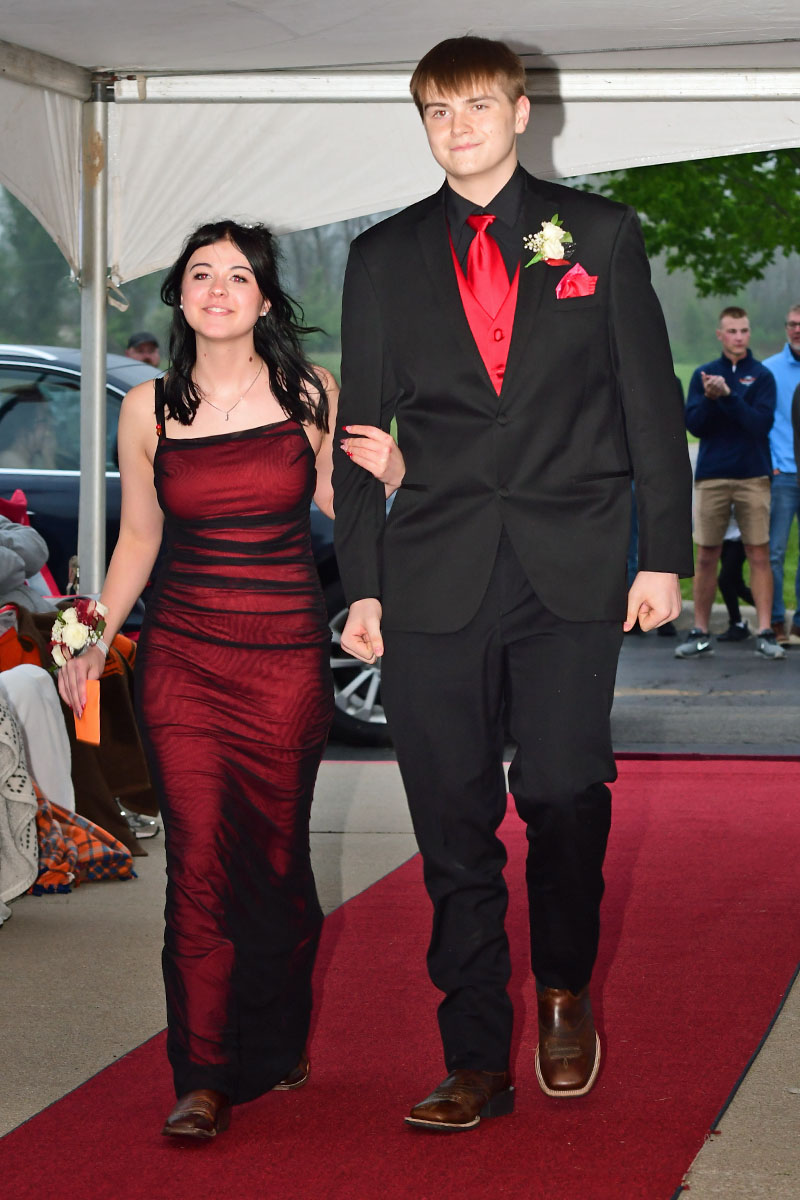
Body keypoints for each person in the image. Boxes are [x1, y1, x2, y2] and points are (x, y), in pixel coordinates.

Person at [333, 35, 693, 1130]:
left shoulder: (596, 234)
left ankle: (562, 987)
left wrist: (662, 554)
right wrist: (359, 582)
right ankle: (472, 1055)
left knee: (560, 791)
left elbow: (646, 406)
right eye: (436, 113)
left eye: (475, 106)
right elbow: (358, 433)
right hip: (431, 565)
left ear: (519, 110)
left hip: (571, 564)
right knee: (449, 816)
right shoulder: (383, 255)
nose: (458, 128)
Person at [58, 219, 403, 1140]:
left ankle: (278, 1033)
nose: (219, 288)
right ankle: (203, 1074)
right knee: (200, 862)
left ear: (264, 298)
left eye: (239, 275)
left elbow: (346, 506)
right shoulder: (147, 408)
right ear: (177, 295)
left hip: (285, 659)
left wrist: (398, 480)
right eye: (201, 274)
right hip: (183, 662)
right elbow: (137, 540)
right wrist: (89, 638)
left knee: (278, 864)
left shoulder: (309, 393)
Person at [675, 306, 782, 660]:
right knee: (706, 555)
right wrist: (709, 398)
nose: (739, 337)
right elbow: (695, 426)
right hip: (712, 476)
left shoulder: (762, 376)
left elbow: (759, 426)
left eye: (744, 330)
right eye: (732, 331)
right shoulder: (704, 374)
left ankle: (765, 631)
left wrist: (729, 397)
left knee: (759, 553)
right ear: (720, 335)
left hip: (753, 475)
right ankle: (700, 631)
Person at [763, 305, 800, 645]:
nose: (796, 330)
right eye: (791, 324)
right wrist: (771, 464)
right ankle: (776, 621)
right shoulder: (770, 370)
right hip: (784, 474)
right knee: (774, 551)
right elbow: (762, 422)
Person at [716, 516, 754, 641]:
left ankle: (737, 623)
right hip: (723, 536)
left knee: (725, 581)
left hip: (739, 536)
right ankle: (738, 626)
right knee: (737, 584)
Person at [0, 386, 57, 470]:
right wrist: (49, 459)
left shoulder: (35, 459)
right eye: (44, 420)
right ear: (24, 427)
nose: (50, 425)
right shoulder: (10, 462)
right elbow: (52, 482)